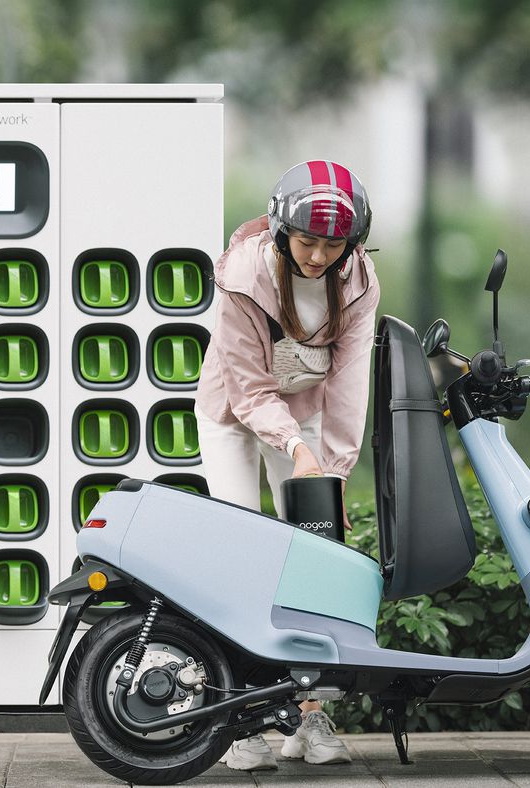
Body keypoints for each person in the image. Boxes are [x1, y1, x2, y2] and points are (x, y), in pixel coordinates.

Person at [195, 159, 381, 771]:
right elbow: (249, 390)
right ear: (281, 229)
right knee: (237, 554)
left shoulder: (357, 279)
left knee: (312, 552)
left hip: (303, 411)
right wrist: (297, 450)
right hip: (232, 409)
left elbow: (351, 385)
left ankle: (310, 716)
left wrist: (332, 474)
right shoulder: (243, 273)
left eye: (333, 244)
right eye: (307, 240)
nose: (319, 255)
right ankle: (236, 719)